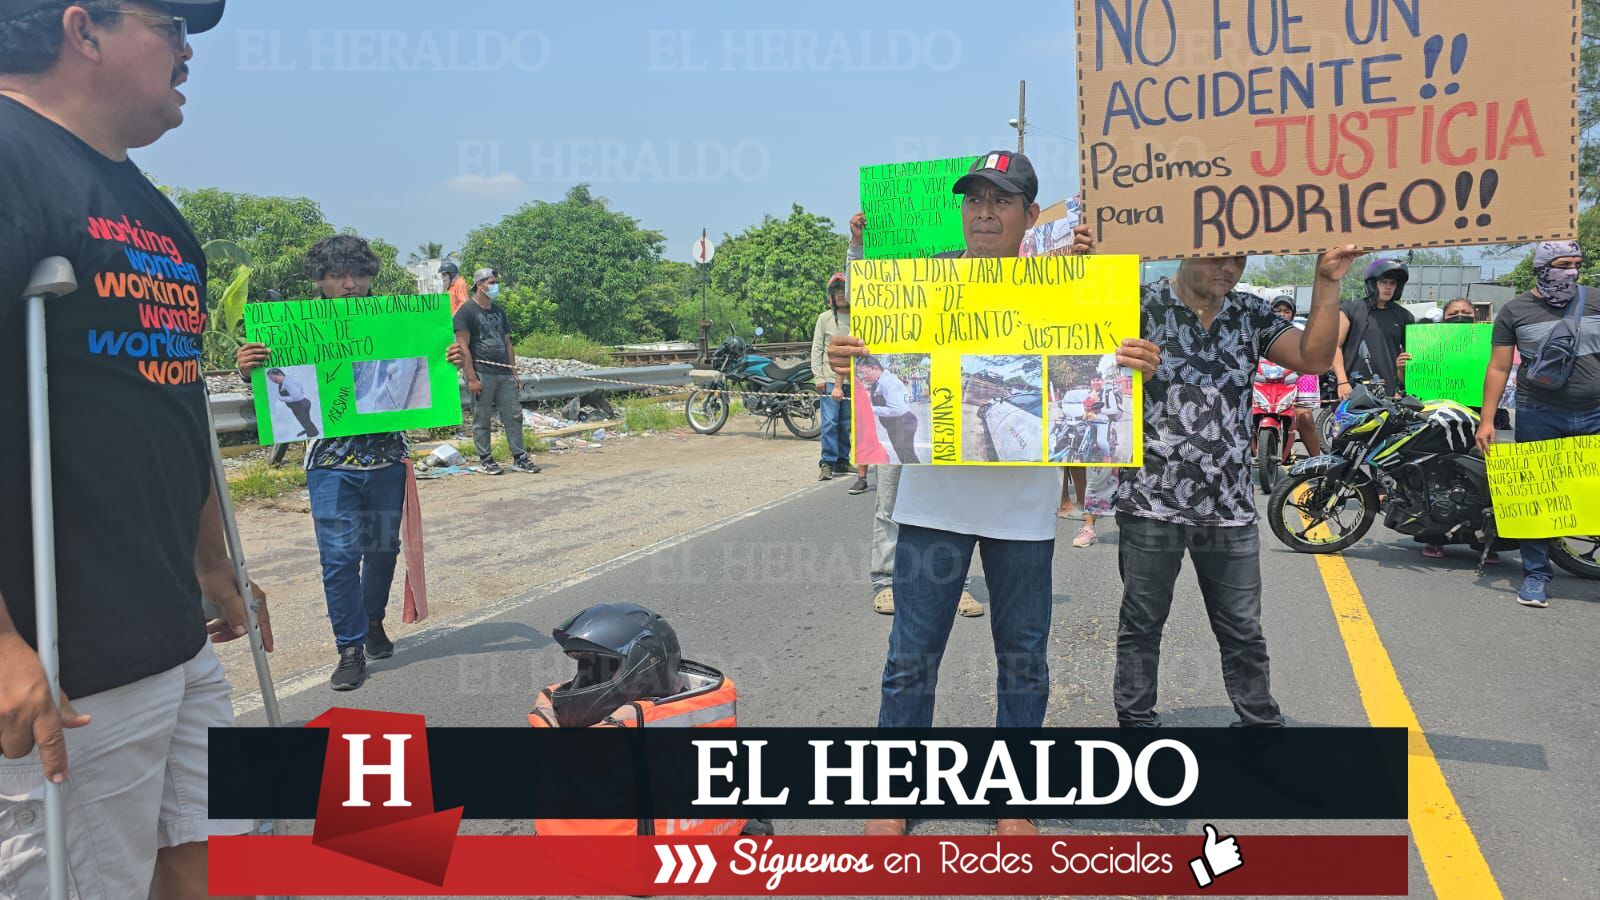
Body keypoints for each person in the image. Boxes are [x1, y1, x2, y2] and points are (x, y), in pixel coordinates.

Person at [0, 2, 270, 896]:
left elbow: (172, 398)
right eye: (170, 25)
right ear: (83, 31)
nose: (190, 51)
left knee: (213, 861)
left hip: (173, 637)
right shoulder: (8, 159)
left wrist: (211, 562)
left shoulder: (153, 211)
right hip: (64, 666)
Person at [832, 151, 1162, 838]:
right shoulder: (919, 284)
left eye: (1001, 200)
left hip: (1022, 512)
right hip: (930, 505)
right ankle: (895, 792)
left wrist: (1134, 361)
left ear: (1029, 216)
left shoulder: (1064, 291)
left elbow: (1101, 372)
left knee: (1022, 661)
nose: (983, 211)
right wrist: (851, 355)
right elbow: (873, 356)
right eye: (974, 199)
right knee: (909, 659)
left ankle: (1014, 799)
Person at [1114, 246, 1358, 732]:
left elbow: (1311, 359)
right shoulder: (1137, 305)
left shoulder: (1250, 313)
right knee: (1141, 625)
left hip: (1229, 504)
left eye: (1238, 260)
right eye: (1216, 259)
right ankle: (1136, 724)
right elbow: (1072, 361)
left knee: (1243, 629)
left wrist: (1327, 281)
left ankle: (1260, 724)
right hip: (1150, 499)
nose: (1228, 270)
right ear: (1183, 252)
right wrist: (1117, 359)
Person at [238, 236, 464, 691]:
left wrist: (449, 358)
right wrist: (249, 367)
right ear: (319, 279)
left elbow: (424, 374)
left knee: (383, 550)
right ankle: (349, 647)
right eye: (338, 275)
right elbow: (269, 389)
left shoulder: (400, 321)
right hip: (328, 464)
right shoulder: (293, 325)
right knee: (339, 559)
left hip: (386, 460)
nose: (349, 284)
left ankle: (373, 621)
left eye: (358, 274)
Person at [846, 213, 983, 621]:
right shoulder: (907, 306)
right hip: (904, 427)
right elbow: (865, 296)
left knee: (954, 501)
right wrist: (857, 247)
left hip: (950, 410)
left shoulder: (974, 293)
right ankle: (886, 581)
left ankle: (956, 585)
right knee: (890, 497)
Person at [1477, 241, 1600, 608]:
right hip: (1538, 413)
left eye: (1577, 264)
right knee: (1537, 497)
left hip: (1595, 410)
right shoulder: (1515, 311)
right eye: (1563, 264)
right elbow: (1499, 367)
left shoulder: (1594, 299)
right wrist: (1487, 420)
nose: (1572, 271)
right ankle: (1536, 574)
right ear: (1543, 268)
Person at [454, 267, 539, 475]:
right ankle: (486, 459)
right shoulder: (466, 311)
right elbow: (462, 345)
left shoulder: (498, 312)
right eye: (491, 282)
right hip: (482, 372)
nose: (494, 286)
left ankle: (519, 457)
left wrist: (514, 372)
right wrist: (471, 377)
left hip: (503, 374)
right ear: (480, 285)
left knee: (513, 415)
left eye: (495, 282)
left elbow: (507, 343)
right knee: (481, 418)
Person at [811, 271, 867, 491]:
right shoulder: (824, 318)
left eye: (844, 291)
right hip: (828, 378)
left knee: (846, 423)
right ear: (831, 297)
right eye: (836, 292)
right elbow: (817, 349)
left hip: (853, 380)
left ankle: (843, 459)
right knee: (829, 422)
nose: (841, 296)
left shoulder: (860, 316)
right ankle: (827, 461)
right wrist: (818, 376)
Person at [1334, 257, 1414, 398]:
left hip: (1389, 394)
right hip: (1352, 390)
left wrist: (1400, 385)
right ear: (1372, 283)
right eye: (1383, 282)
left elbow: (1410, 359)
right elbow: (1336, 347)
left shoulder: (1405, 316)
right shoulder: (1350, 309)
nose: (1388, 287)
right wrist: (1342, 382)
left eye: (1392, 283)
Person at [1269, 297, 1323, 457]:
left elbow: (1312, 355)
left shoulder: (1300, 330)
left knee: (1304, 418)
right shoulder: (1260, 330)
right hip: (1268, 379)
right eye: (1277, 310)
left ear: (1292, 314)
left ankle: (1317, 461)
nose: (1282, 314)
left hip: (1300, 375)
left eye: (1286, 311)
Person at [857, 355, 920, 465]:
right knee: (904, 456)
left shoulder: (888, 382)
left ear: (875, 368)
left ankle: (919, 479)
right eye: (860, 374)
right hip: (895, 424)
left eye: (863, 373)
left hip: (902, 422)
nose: (862, 377)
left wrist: (869, 409)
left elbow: (898, 410)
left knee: (908, 457)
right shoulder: (879, 381)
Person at [265, 366, 320, 437]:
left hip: (301, 405)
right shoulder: (284, 382)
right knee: (304, 420)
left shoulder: (288, 382)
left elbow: (297, 397)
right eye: (271, 379)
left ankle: (313, 435)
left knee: (305, 420)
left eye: (273, 377)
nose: (272, 380)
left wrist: (282, 398)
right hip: (298, 406)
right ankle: (309, 430)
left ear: (280, 374)